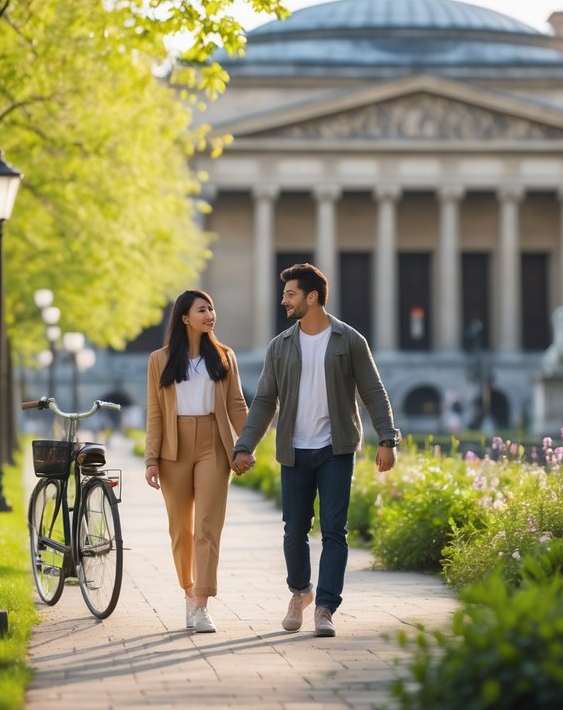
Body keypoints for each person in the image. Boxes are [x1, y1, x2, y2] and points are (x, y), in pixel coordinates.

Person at [231, 263, 400, 638]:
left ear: (312, 297)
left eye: (290, 294)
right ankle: (300, 592)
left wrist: (387, 439)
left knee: (335, 531)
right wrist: (244, 446)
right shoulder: (280, 346)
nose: (283, 300)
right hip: (294, 451)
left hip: (336, 449)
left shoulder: (348, 340)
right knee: (294, 532)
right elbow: (263, 402)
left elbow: (373, 391)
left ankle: (325, 607)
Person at [145, 289, 248, 634]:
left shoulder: (224, 356)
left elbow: (236, 405)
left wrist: (246, 443)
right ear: (185, 317)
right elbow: (155, 414)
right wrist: (151, 459)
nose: (210, 315)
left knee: (207, 526)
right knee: (181, 530)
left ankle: (202, 604)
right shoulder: (159, 360)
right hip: (173, 449)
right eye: (203, 310)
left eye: (212, 309)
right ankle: (188, 592)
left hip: (213, 446)